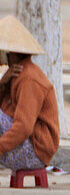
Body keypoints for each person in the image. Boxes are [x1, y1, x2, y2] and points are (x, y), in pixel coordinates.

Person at [0, 15, 59, 173]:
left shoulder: (29, 79)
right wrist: (2, 83)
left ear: (11, 53)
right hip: (26, 144)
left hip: (35, 151)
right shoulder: (15, 74)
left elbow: (23, 127)